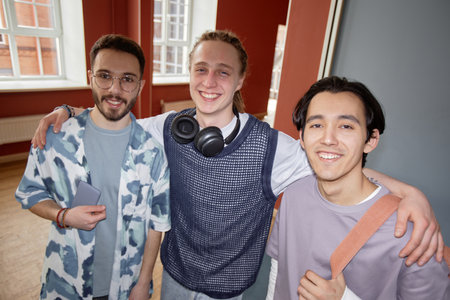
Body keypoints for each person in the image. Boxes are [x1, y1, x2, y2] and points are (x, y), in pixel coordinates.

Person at [31, 31, 443, 299]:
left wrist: (408, 193)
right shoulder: (167, 128)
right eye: (201, 69)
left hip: (232, 289)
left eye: (223, 72)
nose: (210, 81)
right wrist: (69, 109)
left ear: (241, 79)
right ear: (190, 74)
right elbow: (114, 117)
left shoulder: (274, 148)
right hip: (174, 276)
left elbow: (333, 159)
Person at [15, 34, 170, 300]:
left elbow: (157, 224)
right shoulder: (56, 137)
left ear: (140, 85)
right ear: (91, 77)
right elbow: (30, 194)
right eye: (105, 76)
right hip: (66, 280)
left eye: (127, 79)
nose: (114, 89)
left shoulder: (152, 153)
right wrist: (64, 216)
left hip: (124, 283)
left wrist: (143, 283)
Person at [265, 76, 449, 300]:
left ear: (370, 140)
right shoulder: (294, 195)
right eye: (316, 125)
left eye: (345, 126)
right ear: (302, 137)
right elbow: (280, 271)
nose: (328, 138)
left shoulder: (412, 231)